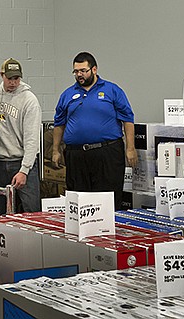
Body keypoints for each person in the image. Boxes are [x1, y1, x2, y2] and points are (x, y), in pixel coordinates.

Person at [51, 52, 137, 209]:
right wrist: (56, 150)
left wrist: (130, 148)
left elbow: (128, 119)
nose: (79, 75)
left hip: (107, 153)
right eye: (76, 71)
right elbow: (59, 123)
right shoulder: (68, 94)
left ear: (94, 69)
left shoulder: (112, 90)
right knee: (79, 200)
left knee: (108, 200)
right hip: (76, 155)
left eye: (83, 70)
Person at [0, 58, 42, 214]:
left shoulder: (29, 100)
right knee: (1, 212)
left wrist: (24, 170)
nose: (13, 82)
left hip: (23, 162)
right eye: (10, 78)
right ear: (2, 75)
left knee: (31, 212)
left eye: (17, 78)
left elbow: (32, 138)